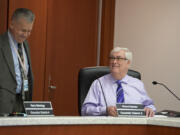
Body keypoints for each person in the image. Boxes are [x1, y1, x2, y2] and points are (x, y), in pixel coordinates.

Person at [81, 47, 156, 117]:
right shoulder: (98, 83)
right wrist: (105, 110)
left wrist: (149, 109)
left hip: (133, 127)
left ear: (128, 62)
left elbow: (149, 105)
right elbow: (85, 110)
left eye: (119, 58)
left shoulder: (138, 84)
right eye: (112, 58)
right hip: (106, 128)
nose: (114, 61)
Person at [0, 8, 35, 114]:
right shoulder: (1, 44)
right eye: (23, 30)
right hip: (4, 104)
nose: (26, 34)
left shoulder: (25, 45)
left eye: (29, 31)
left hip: (23, 103)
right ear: (12, 24)